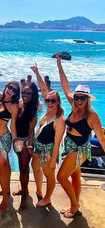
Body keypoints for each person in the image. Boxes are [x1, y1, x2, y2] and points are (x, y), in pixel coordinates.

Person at [55, 54, 105, 218]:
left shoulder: (92, 116)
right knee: (75, 176)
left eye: (82, 97)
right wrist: (59, 63)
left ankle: (75, 205)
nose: (78, 100)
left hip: (80, 148)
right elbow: (65, 85)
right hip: (69, 145)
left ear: (88, 99)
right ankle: (74, 206)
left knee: (61, 177)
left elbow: (101, 138)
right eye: (77, 97)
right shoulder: (74, 105)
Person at [31, 63, 65, 207]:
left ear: (58, 102)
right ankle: (39, 190)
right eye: (47, 100)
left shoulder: (59, 119)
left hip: (48, 150)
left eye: (53, 101)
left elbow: (57, 142)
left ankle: (47, 198)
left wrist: (53, 161)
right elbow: (44, 89)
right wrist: (37, 72)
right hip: (38, 147)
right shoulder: (47, 111)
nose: (49, 102)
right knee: (35, 167)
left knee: (49, 175)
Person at [12, 82, 39, 210]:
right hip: (16, 140)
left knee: (23, 168)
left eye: (28, 93)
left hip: (25, 141)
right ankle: (25, 190)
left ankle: (24, 198)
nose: (25, 95)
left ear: (33, 95)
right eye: (23, 92)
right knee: (22, 166)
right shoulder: (19, 105)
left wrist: (29, 146)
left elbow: (31, 131)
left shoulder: (33, 111)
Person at [0, 81, 20, 211]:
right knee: (5, 166)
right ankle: (6, 190)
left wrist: (15, 140)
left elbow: (13, 124)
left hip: (4, 138)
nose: (10, 90)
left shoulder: (14, 106)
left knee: (0, 168)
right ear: (6, 87)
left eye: (14, 90)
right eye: (9, 87)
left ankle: (5, 198)